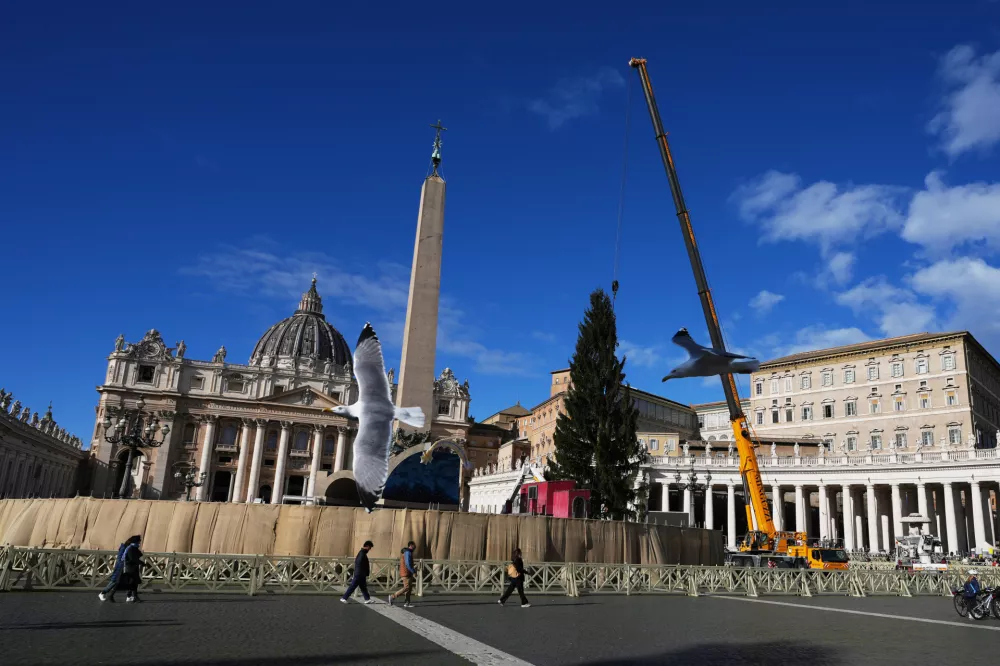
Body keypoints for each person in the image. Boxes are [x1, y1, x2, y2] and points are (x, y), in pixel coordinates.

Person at [98, 535, 140, 602]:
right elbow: (123, 558)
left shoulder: (128, 547)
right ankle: (103, 593)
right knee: (115, 581)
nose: (139, 543)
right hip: (121, 567)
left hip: (124, 566)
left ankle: (129, 596)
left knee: (129, 581)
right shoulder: (127, 547)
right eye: (138, 542)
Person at [388, 541, 416, 608]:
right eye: (414, 546)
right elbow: (408, 564)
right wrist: (413, 571)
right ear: (411, 545)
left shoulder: (407, 552)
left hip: (407, 573)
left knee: (409, 588)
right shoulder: (407, 552)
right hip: (406, 573)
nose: (415, 547)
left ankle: (407, 603)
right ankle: (392, 596)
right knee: (407, 587)